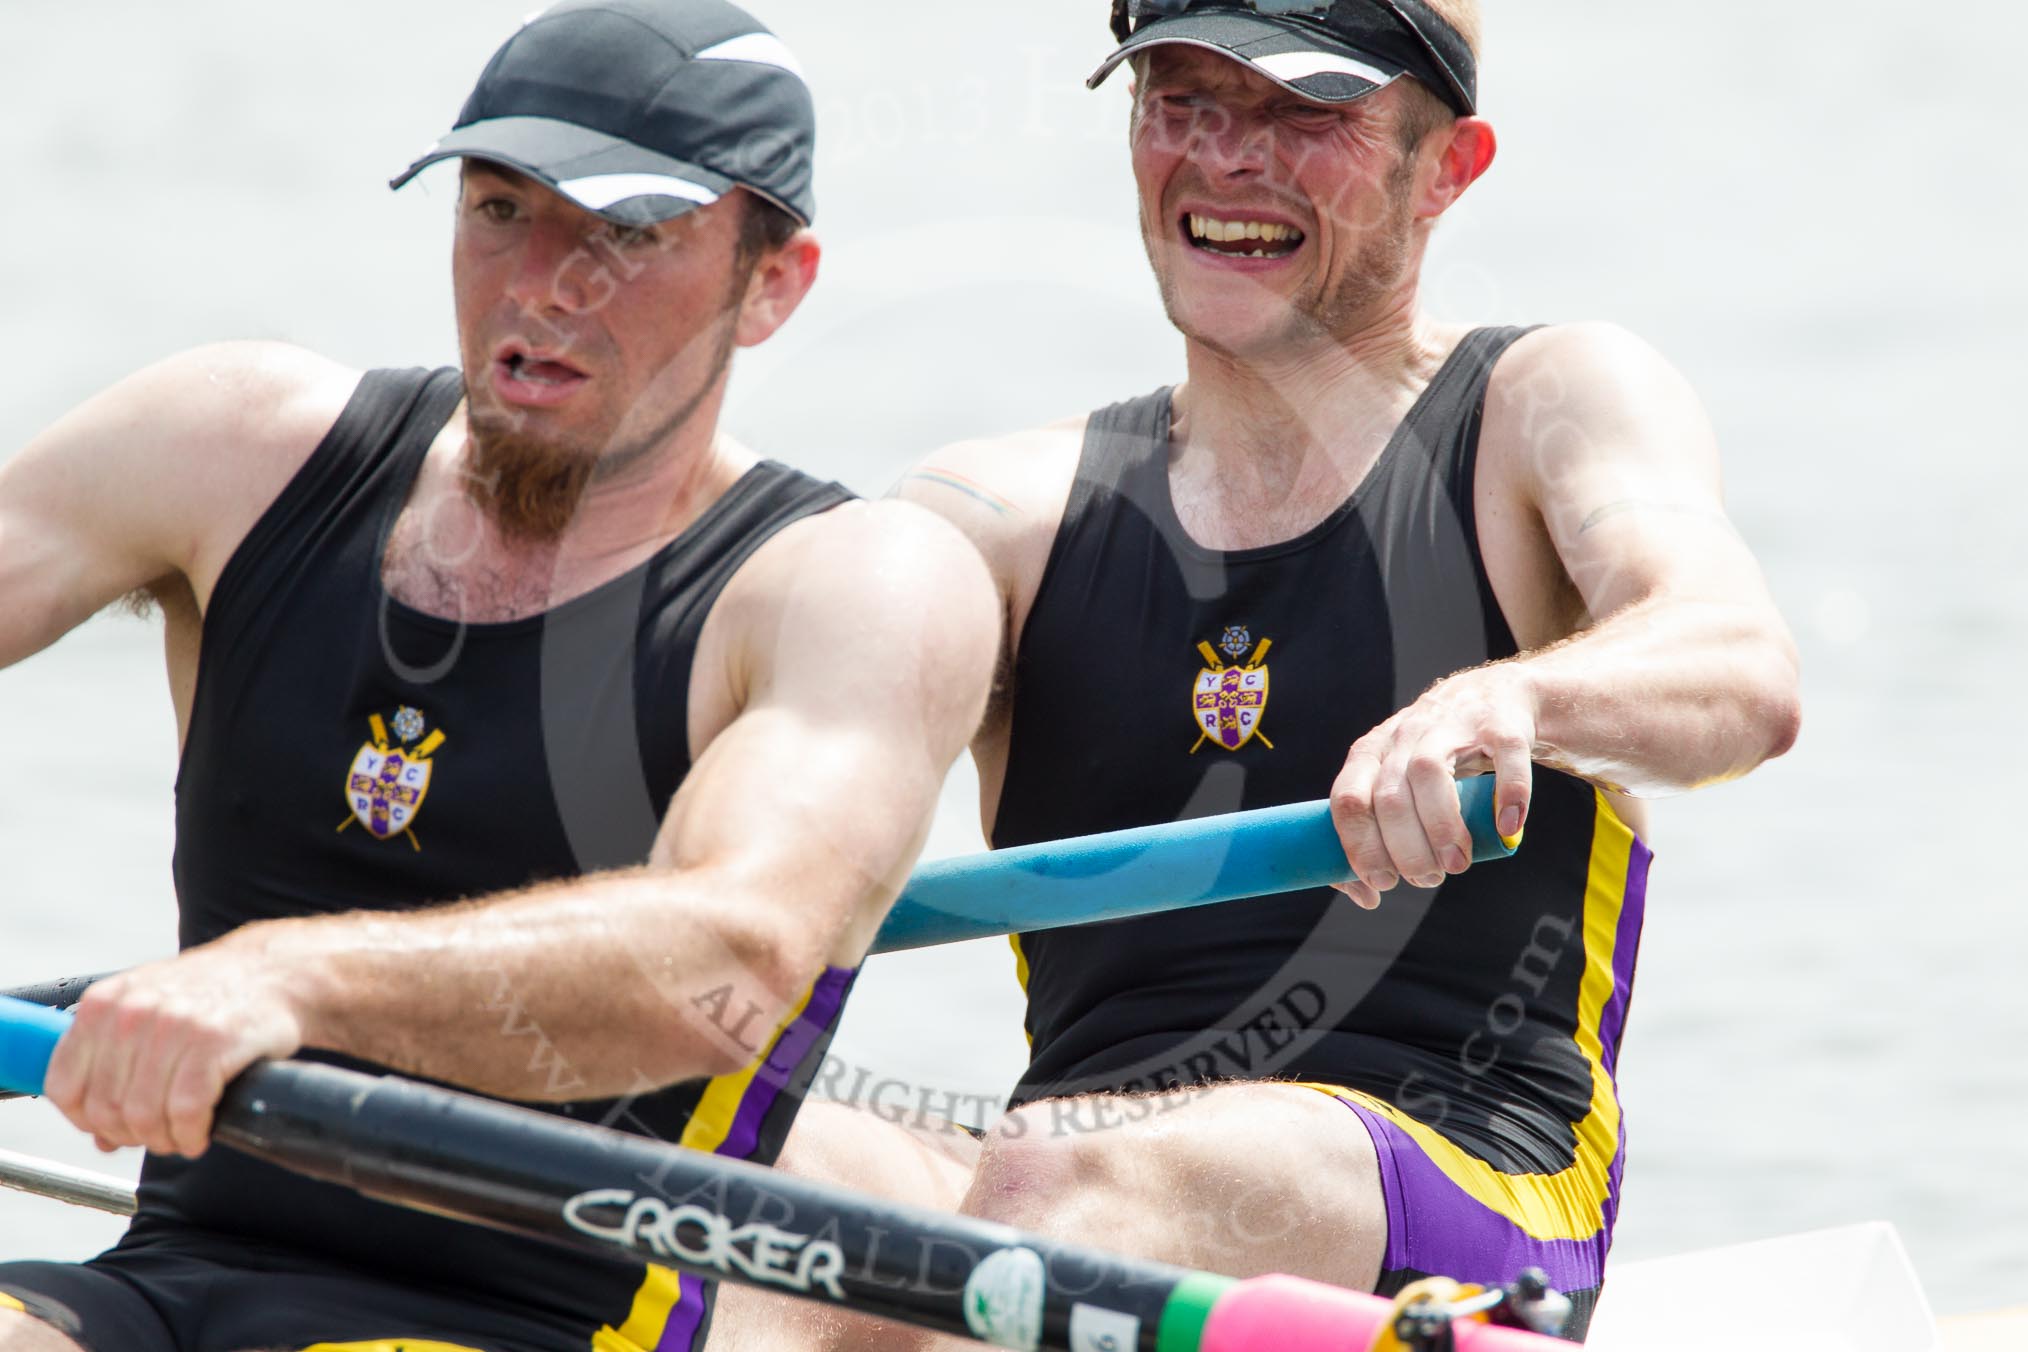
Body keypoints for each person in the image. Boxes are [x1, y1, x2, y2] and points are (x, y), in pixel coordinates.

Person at [730, 1, 1801, 1345]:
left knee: (1054, 1176)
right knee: (735, 1179)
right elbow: (774, 755)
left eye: (1309, 114)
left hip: (1463, 1183)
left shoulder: (1545, 407)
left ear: (1448, 167)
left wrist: (1513, 695)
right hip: (1065, 1176)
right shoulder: (986, 517)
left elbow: (1740, 670)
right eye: (1182, 99)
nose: (1230, 159)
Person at [0, 2, 997, 1350]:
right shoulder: (236, 445)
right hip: (171, 1273)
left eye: (627, 233)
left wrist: (284, 982)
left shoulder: (848, 584)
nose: (543, 282)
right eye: (499, 208)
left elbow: (742, 952)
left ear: (774, 282)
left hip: (536, 1319)